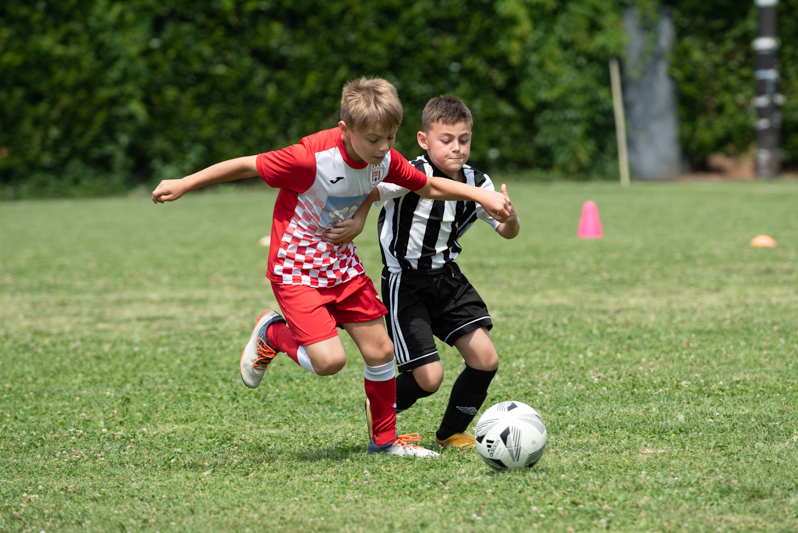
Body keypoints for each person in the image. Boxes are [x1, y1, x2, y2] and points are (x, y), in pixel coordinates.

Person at [151, 79, 512, 457]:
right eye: (374, 139)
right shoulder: (309, 159)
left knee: (381, 351)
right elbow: (247, 165)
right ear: (346, 129)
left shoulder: (386, 160)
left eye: (390, 137)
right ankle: (273, 334)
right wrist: (185, 182)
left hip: (341, 264)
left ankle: (384, 443)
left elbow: (428, 187)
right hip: (296, 268)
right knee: (329, 362)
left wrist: (479, 193)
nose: (384, 148)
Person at [348, 95, 520, 448]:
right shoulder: (409, 172)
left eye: (464, 139)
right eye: (447, 140)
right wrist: (359, 221)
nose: (457, 148)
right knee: (429, 379)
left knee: (485, 360)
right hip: (405, 282)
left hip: (447, 279)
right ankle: (379, 404)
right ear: (424, 140)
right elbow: (370, 191)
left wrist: (511, 217)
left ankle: (450, 432)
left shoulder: (478, 182)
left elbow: (506, 231)